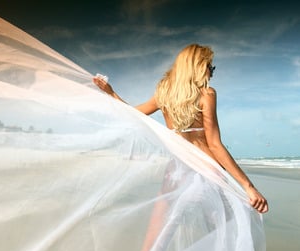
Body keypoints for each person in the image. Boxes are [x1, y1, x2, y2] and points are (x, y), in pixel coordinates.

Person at [93, 43, 268, 214]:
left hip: (176, 171)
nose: (211, 73)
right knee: (225, 230)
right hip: (207, 170)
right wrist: (248, 186)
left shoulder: (163, 95)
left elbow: (133, 114)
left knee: (160, 235)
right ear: (198, 67)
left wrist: (111, 93)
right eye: (210, 67)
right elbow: (214, 144)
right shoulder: (207, 94)